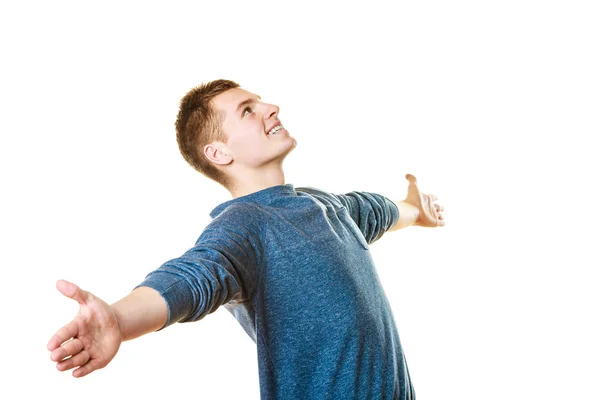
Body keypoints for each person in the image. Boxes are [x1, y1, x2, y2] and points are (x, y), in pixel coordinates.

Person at [47, 79, 445, 400]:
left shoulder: (327, 205)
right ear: (219, 153)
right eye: (247, 111)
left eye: (261, 102)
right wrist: (119, 318)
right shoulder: (242, 228)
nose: (271, 109)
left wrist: (415, 211)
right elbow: (195, 276)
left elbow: (377, 211)